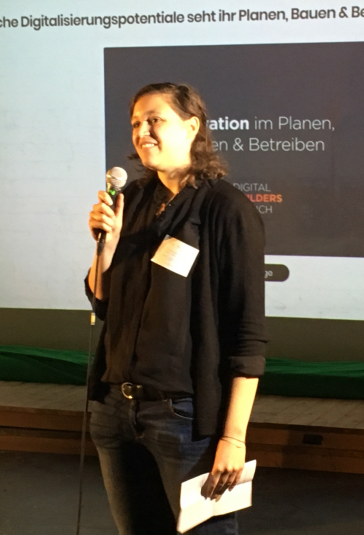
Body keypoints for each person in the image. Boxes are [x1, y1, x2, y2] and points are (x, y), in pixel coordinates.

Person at [85, 82, 267, 534]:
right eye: (136, 123)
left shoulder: (227, 209)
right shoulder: (132, 201)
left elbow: (247, 335)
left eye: (155, 120)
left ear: (191, 127)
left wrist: (234, 437)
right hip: (115, 410)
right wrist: (106, 246)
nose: (142, 132)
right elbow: (102, 300)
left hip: (184, 421)